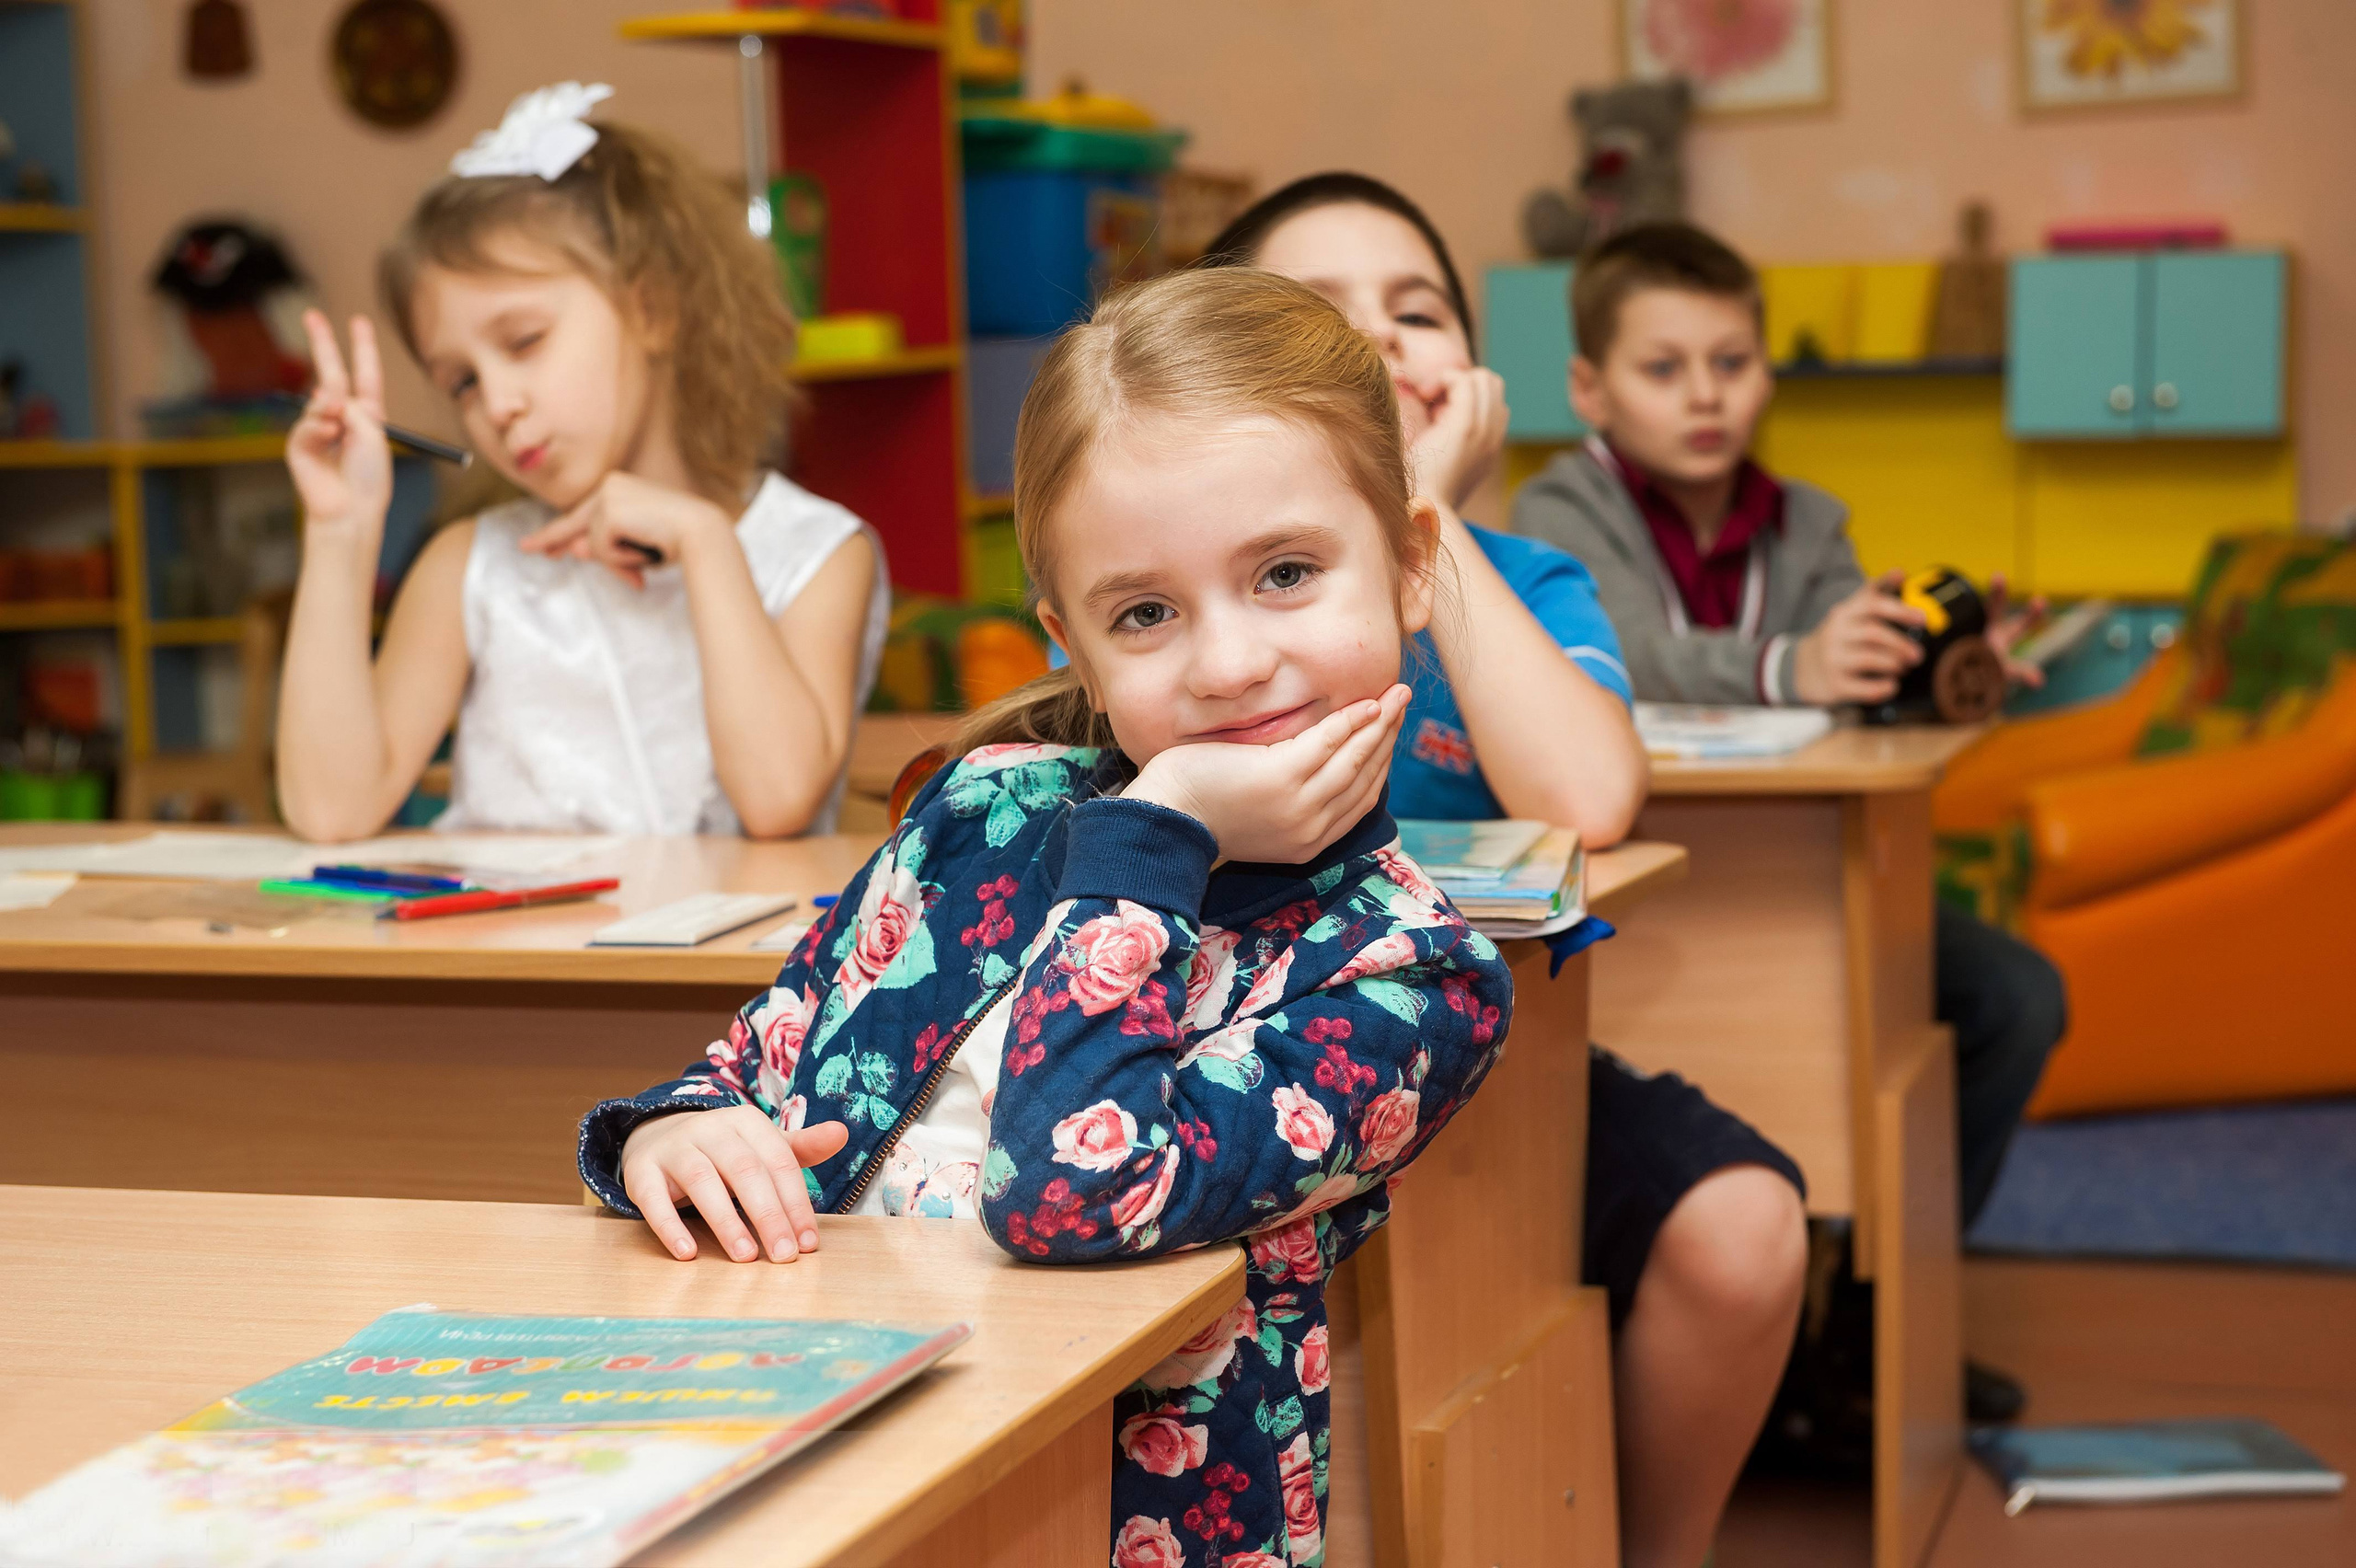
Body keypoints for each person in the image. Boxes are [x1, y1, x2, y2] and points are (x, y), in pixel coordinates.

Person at [578, 267, 1516, 1564]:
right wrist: (668, 1144)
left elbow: (1076, 1191)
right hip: (831, 1466)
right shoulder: (986, 813)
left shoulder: (1415, 977)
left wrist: (1161, 829)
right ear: (1068, 639)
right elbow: (747, 1072)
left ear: (1413, 565)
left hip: (1118, 1520)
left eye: (1288, 573)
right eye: (1145, 613)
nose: (1230, 661)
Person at [1206, 173, 1807, 1568]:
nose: (1381, 346)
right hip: (1234, 1069)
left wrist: (1423, 521)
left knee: (1743, 1229)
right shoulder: (1179, 586)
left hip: (1494, 1076)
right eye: (1318, 318)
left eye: (1415, 312)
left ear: (1470, 371)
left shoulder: (1522, 575)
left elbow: (1588, 798)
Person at [1512, 219, 2068, 1421]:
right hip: (1642, 894)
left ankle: (1868, 1329)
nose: (1707, 396)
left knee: (2012, 997)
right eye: (1666, 369)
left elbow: (1843, 679)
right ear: (1589, 388)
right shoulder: (1551, 512)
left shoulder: (1810, 523)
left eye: (1734, 362)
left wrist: (1934, 666)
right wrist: (1790, 666)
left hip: (1816, 875)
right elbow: (1631, 651)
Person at [277, 83, 887, 842]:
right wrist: (339, 534)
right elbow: (331, 810)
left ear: (653, 308)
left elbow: (776, 801)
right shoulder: (470, 566)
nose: (496, 403)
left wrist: (705, 544)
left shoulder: (817, 554)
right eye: (461, 381)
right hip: (506, 961)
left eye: (524, 341)